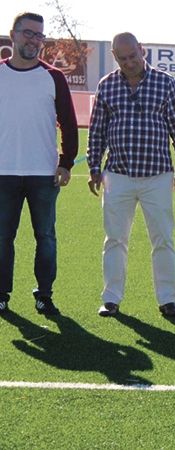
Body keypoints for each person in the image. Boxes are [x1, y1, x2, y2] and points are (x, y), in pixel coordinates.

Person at [87, 32, 175, 318]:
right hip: (117, 175)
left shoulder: (165, 83)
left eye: (133, 55)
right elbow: (96, 131)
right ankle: (111, 299)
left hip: (157, 175)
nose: (129, 62)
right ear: (114, 57)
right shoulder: (106, 86)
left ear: (142, 50)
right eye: (123, 58)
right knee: (114, 239)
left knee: (163, 239)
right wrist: (94, 168)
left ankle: (167, 300)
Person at [0, 12, 78, 316]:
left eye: (39, 36)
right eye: (29, 33)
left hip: (43, 174)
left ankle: (44, 295)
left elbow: (69, 124)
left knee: (45, 237)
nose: (34, 40)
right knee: (3, 238)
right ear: (14, 35)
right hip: (3, 173)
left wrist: (66, 162)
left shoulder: (53, 77)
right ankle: (2, 294)